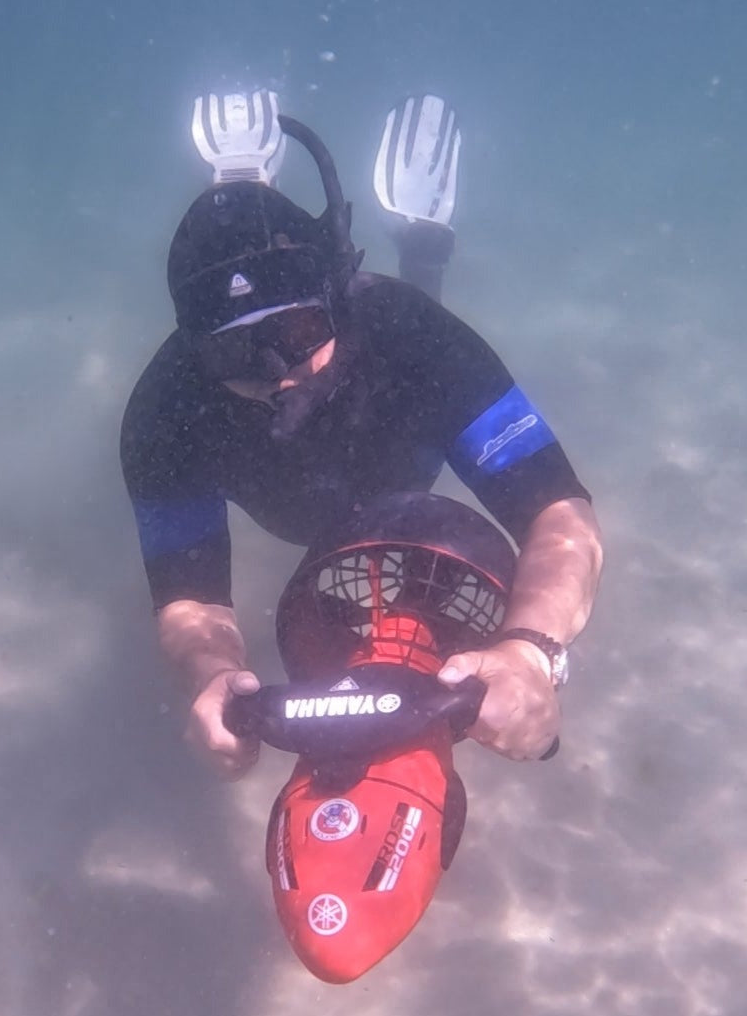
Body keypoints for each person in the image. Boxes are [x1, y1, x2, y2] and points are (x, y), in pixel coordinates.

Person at [120, 91, 603, 780]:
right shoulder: (166, 410)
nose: (278, 373)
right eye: (236, 356)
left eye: (294, 334)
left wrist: (530, 648)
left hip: (397, 451)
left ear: (335, 299)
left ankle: (420, 240)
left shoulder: (408, 333)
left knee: (410, 358)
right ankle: (242, 194)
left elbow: (559, 514)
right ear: (194, 355)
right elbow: (191, 598)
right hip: (332, 485)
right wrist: (211, 671)